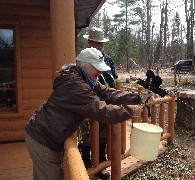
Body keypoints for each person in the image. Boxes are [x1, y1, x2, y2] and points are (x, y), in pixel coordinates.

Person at [25, 47, 154, 180]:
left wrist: (137, 98)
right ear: (85, 67)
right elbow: (101, 110)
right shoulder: (76, 85)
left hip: (44, 134)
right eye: (97, 69)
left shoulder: (84, 79)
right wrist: (130, 111)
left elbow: (108, 93)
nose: (100, 72)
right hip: (43, 138)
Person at [79, 27, 118, 179]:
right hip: (87, 104)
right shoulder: (83, 59)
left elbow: (113, 80)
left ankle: (100, 165)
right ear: (89, 42)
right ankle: (85, 165)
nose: (99, 46)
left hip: (104, 103)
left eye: (101, 43)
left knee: (102, 136)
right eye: (96, 43)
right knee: (86, 136)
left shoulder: (108, 60)